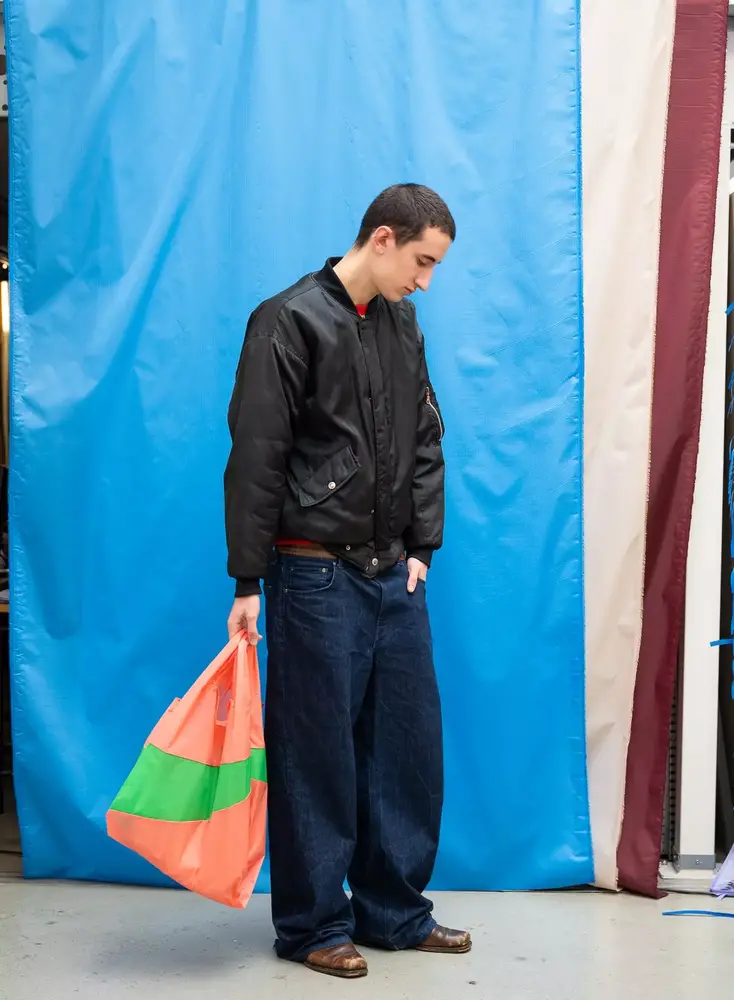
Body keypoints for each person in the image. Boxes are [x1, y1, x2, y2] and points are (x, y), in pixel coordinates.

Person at [224, 183, 470, 979]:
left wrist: (422, 545)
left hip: (392, 577)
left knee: (405, 753)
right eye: (423, 262)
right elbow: (256, 458)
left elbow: (427, 436)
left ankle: (395, 913)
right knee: (315, 754)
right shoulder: (287, 320)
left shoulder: (402, 324)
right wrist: (247, 583)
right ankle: (311, 925)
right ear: (385, 238)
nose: (425, 281)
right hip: (312, 577)